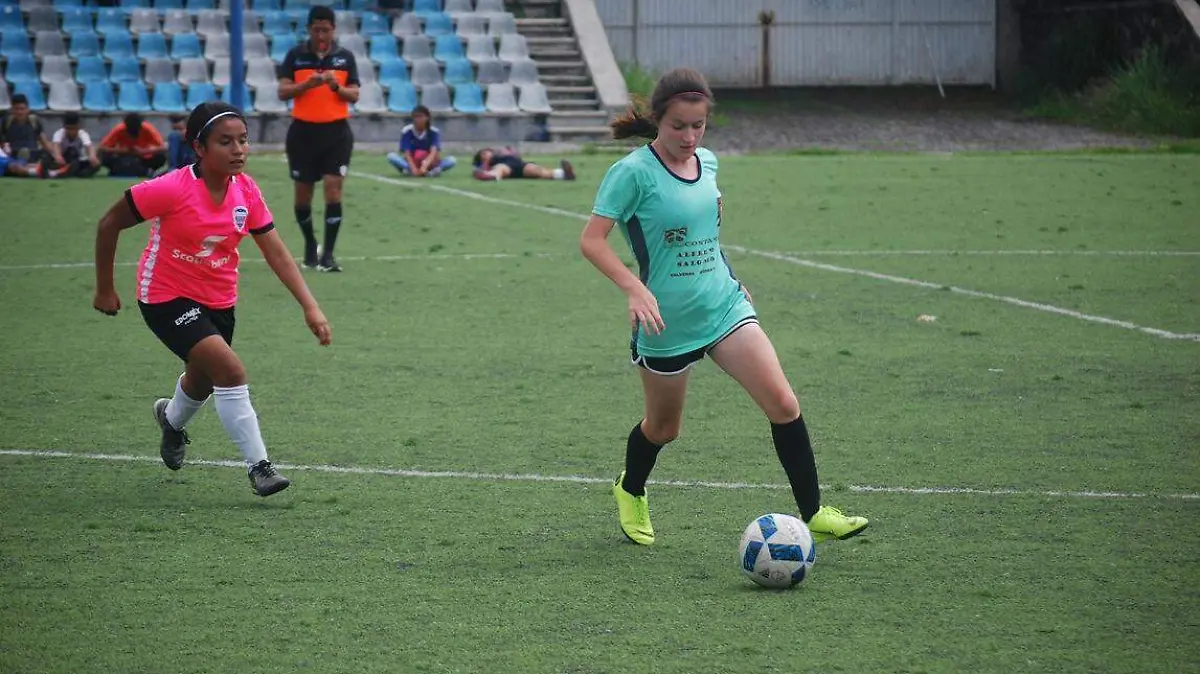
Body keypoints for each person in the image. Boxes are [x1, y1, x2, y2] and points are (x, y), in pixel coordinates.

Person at [579, 68, 868, 546]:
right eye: (678, 126)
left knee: (783, 404)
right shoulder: (631, 173)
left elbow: (707, 236)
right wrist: (633, 287)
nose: (690, 137)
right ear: (658, 121)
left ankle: (814, 511)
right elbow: (592, 242)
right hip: (665, 321)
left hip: (723, 306)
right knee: (664, 428)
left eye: (698, 126)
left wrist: (732, 278)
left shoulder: (708, 164)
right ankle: (630, 489)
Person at [92, 102, 333, 497]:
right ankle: (261, 468)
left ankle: (170, 420)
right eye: (226, 142)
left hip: (219, 300)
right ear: (199, 148)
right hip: (165, 296)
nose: (238, 149)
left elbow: (275, 251)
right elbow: (108, 223)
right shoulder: (170, 187)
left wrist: (310, 306)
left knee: (202, 381)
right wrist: (105, 287)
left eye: (243, 140)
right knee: (231, 372)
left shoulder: (247, 190)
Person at [277, 4, 361, 272]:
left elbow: (355, 95)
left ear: (333, 29)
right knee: (303, 195)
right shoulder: (295, 55)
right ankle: (310, 245)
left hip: (336, 134)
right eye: (316, 29)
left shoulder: (345, 58)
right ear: (309, 29)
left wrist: (336, 86)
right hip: (303, 133)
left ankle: (329, 255)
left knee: (333, 191)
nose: (321, 35)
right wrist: (307, 85)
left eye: (325, 29)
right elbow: (283, 92)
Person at [0, 94, 65, 177]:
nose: (19, 112)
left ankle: (45, 170)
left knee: (44, 159)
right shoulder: (6, 122)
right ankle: (48, 173)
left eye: (22, 109)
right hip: (13, 157)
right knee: (15, 166)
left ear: (27, 109)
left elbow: (45, 142)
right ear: (12, 109)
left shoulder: (34, 121)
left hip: (32, 157)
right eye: (16, 109)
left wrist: (56, 156)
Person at [385, 106, 456, 177]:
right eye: (416, 117)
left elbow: (433, 152)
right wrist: (413, 168)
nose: (418, 119)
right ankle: (411, 171)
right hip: (413, 161)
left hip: (428, 163)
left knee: (451, 160)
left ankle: (429, 172)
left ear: (427, 118)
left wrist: (424, 167)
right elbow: (407, 153)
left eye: (421, 117)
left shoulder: (433, 131)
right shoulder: (407, 131)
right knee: (391, 156)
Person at [97, 113, 168, 177]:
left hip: (143, 157)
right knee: (104, 156)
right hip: (123, 156)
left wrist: (143, 151)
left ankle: (144, 170)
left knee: (161, 157)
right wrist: (122, 151)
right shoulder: (119, 129)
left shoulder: (148, 128)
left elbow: (163, 148)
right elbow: (102, 148)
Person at [471, 146, 575, 182]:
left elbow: (515, 154)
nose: (486, 154)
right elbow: (478, 168)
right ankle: (492, 176)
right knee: (500, 169)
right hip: (505, 165)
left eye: (486, 152)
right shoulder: (489, 162)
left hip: (519, 164)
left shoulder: (501, 151)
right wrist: (484, 165)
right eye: (483, 154)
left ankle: (563, 174)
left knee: (537, 170)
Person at [52, 111, 100, 177]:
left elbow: (89, 146)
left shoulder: (82, 134)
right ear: (64, 127)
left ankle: (77, 173)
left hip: (76, 160)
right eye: (69, 129)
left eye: (74, 128)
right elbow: (56, 146)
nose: (72, 132)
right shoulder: (59, 133)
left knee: (96, 165)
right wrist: (58, 156)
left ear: (78, 127)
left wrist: (92, 156)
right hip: (63, 160)